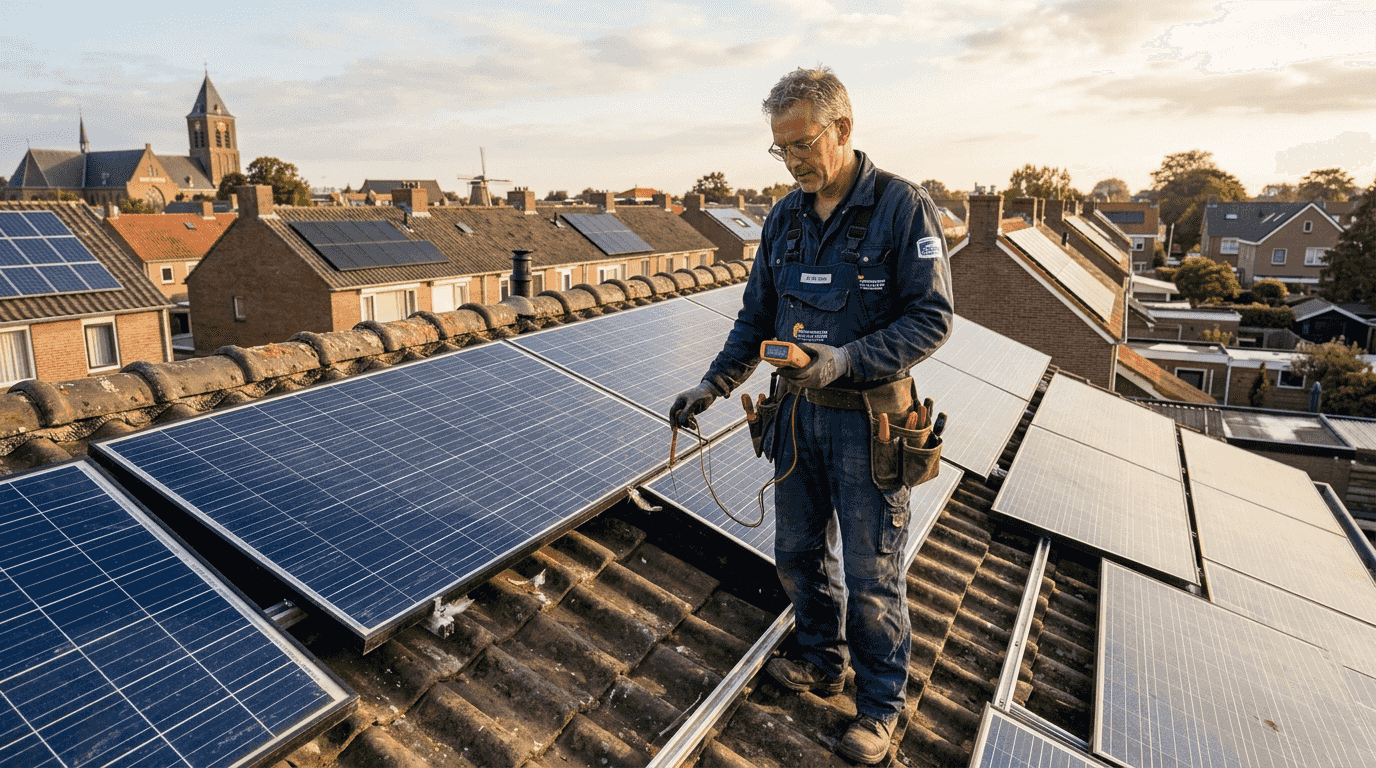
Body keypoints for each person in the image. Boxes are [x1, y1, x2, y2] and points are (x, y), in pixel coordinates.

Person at [669, 66, 953, 764]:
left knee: (871, 573)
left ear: (843, 130)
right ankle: (821, 659)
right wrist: (713, 384)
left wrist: (843, 360)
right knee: (797, 554)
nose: (793, 159)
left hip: (870, 424)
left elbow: (932, 318)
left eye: (802, 144)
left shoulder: (901, 207)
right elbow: (755, 316)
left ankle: (880, 707)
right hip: (796, 418)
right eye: (780, 148)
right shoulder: (784, 218)